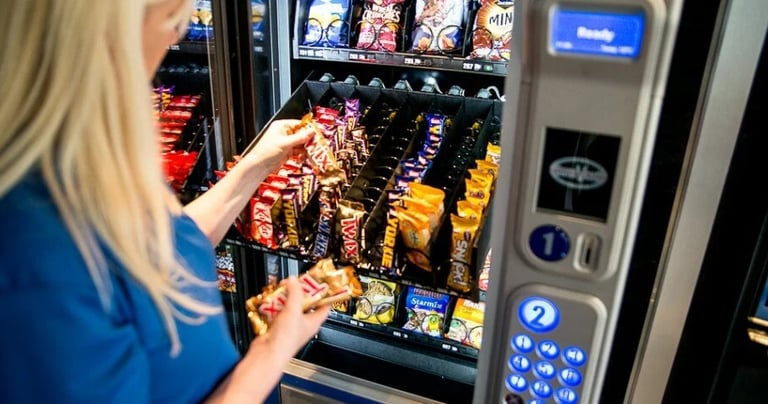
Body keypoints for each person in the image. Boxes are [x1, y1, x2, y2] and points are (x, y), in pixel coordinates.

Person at [0, 0, 330, 402]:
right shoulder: (32, 262)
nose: (177, 34)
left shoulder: (77, 156)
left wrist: (256, 166)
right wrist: (271, 352)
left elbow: (163, 247)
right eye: (171, 15)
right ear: (102, 32)